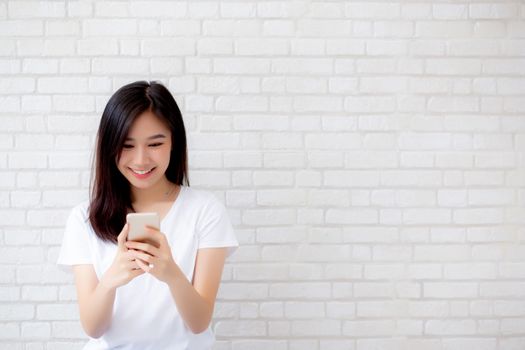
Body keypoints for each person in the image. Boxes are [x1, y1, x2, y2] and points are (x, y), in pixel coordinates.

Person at [57, 81, 238, 349]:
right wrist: (111, 280)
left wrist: (172, 274)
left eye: (155, 143)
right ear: (109, 147)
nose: (141, 160)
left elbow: (199, 323)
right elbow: (94, 329)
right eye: (127, 146)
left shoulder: (205, 210)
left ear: (174, 142)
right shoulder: (84, 218)